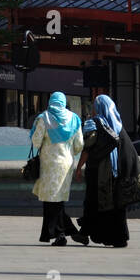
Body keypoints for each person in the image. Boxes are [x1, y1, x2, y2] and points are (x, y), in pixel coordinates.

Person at [74, 94, 140, 248]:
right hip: (116, 170)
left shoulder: (94, 123)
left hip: (97, 170)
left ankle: (86, 233)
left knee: (93, 201)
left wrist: (79, 168)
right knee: (115, 204)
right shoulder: (118, 124)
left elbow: (87, 149)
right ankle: (119, 237)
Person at [31, 92, 87, 246]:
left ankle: (60, 234)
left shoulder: (44, 118)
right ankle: (65, 232)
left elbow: (36, 141)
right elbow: (79, 145)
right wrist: (69, 152)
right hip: (66, 164)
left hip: (49, 165)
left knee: (51, 200)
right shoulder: (74, 119)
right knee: (58, 199)